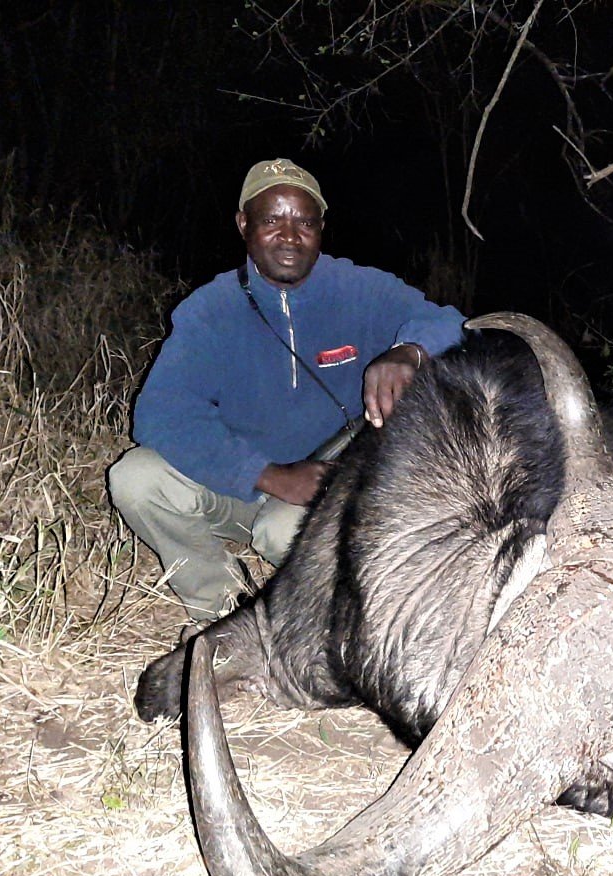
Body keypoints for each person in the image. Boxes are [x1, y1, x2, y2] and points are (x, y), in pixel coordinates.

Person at [109, 158, 465, 622]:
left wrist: (409, 352)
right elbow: (160, 414)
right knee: (135, 478)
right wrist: (268, 475)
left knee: (282, 534)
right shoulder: (209, 310)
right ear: (243, 225)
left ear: (321, 228)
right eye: (272, 220)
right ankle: (222, 611)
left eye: (304, 221)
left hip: (329, 484)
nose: (290, 235)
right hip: (241, 482)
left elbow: (451, 323)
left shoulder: (360, 288)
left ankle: (326, 612)